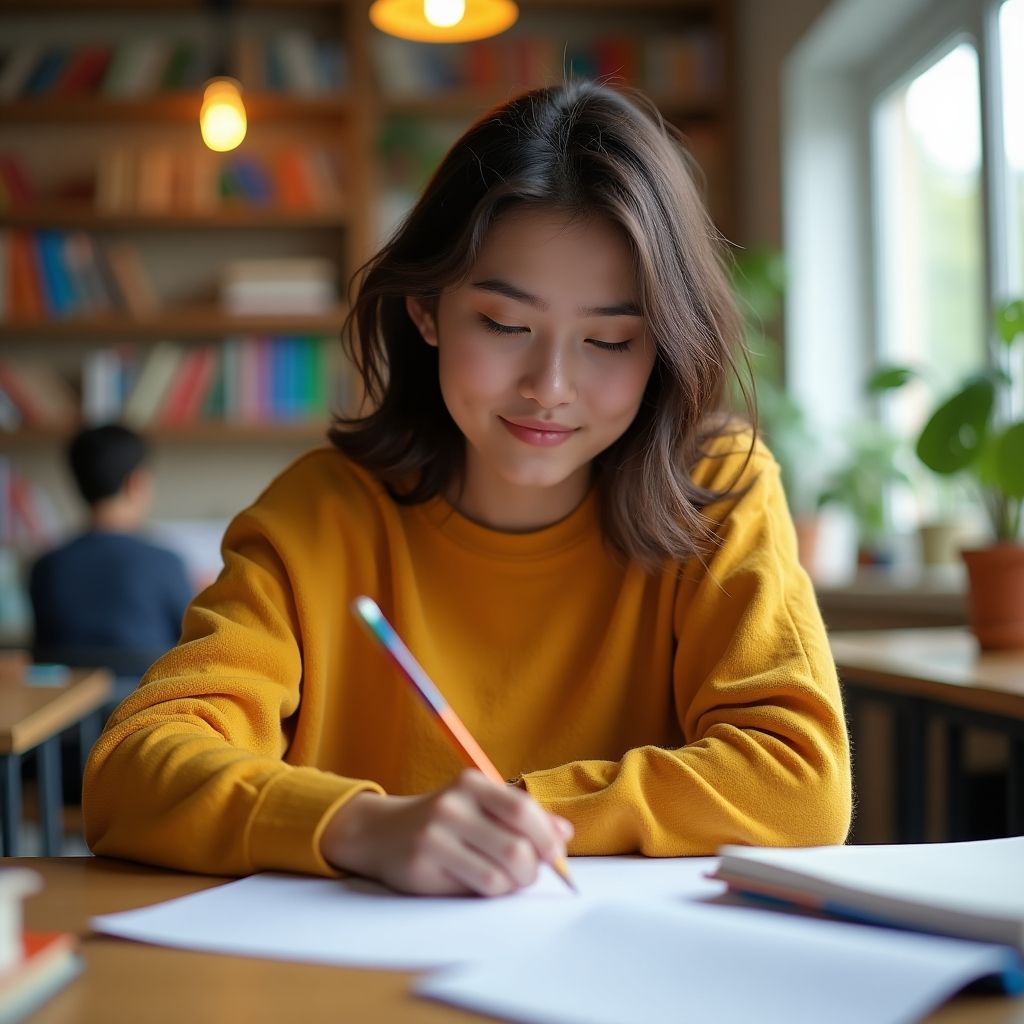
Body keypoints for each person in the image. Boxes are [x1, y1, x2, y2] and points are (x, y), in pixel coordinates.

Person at [83, 81, 852, 895]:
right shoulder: (321, 516)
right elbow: (133, 771)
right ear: (425, 309)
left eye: (610, 339)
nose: (550, 385)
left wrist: (508, 822)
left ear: (662, 345)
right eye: (504, 326)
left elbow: (799, 782)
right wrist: (364, 826)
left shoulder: (715, 488)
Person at [30, 423, 192, 686]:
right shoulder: (165, 563)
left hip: (69, 718)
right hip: (147, 714)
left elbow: (45, 658)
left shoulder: (46, 566)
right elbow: (190, 644)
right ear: (135, 483)